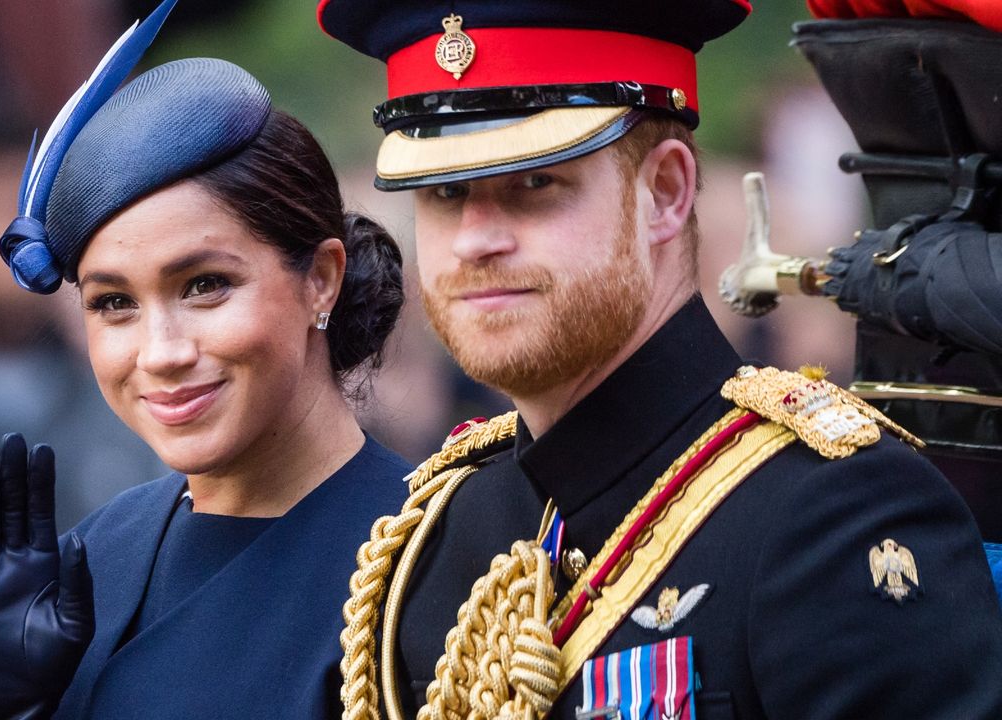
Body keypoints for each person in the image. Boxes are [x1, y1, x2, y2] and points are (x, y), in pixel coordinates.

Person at [316, 1, 1002, 718]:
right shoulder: (439, 532)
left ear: (665, 194)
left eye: (534, 184)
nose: (474, 240)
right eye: (446, 193)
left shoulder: (837, 517)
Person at [0, 5, 410, 718]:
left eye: (205, 286)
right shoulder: (87, 565)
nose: (161, 353)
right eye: (113, 304)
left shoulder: (428, 561)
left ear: (321, 279)